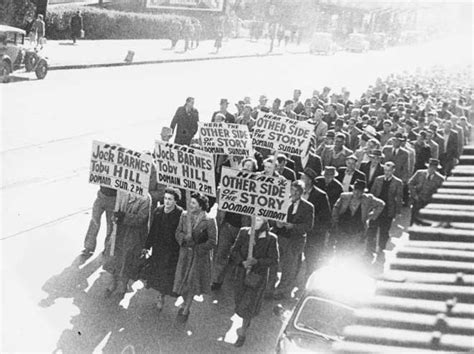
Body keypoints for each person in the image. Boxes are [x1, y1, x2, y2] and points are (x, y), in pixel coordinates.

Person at [229, 216, 279, 347]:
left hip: (257, 277)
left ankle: (243, 333)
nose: (255, 222)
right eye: (254, 219)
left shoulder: (271, 238)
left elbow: (274, 260)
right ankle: (243, 324)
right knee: (239, 300)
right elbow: (234, 250)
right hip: (241, 274)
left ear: (265, 222)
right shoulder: (244, 232)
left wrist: (257, 262)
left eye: (259, 220)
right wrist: (242, 261)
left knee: (248, 305)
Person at [211, 159, 255, 291]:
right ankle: (216, 280)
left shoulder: (255, 187)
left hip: (243, 228)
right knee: (221, 253)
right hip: (227, 225)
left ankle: (237, 282)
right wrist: (222, 188)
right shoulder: (231, 180)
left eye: (249, 167)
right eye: (244, 166)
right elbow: (218, 199)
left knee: (239, 256)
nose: (246, 168)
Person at [173, 193, 217, 323]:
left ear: (201, 205)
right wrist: (184, 240)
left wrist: (198, 246)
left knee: (192, 282)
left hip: (199, 258)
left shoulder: (209, 221)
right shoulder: (185, 216)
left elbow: (213, 241)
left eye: (193, 203)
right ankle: (185, 300)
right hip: (185, 255)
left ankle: (186, 308)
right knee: (183, 279)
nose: (190, 205)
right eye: (190, 202)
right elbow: (178, 232)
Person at [270, 181, 314, 300]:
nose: (294, 194)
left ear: (302, 192)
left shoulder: (308, 207)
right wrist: (277, 223)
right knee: (274, 263)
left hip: (295, 240)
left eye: (297, 191)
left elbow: (308, 226)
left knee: (289, 267)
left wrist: (293, 226)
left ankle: (282, 290)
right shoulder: (282, 202)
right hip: (280, 236)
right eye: (292, 190)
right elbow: (271, 216)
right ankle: (270, 287)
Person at [103, 192, 151, 297]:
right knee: (114, 257)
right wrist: (115, 217)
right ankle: (113, 281)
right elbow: (115, 211)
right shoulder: (122, 192)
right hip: (119, 232)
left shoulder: (145, 199)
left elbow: (141, 219)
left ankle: (123, 285)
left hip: (132, 234)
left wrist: (124, 217)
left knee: (127, 259)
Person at [142, 188, 183, 310]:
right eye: (165, 198)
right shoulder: (158, 211)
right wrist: (147, 246)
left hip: (172, 250)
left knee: (167, 274)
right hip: (159, 248)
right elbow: (153, 230)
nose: (167, 201)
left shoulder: (180, 214)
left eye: (170, 199)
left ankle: (162, 296)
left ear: (176, 201)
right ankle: (159, 292)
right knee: (157, 270)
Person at [331, 180, 385, 256]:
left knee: (354, 251)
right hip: (343, 227)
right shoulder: (344, 196)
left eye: (359, 191)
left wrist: (371, 215)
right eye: (355, 190)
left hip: (358, 229)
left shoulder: (368, 199)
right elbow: (336, 207)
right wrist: (335, 219)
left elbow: (381, 204)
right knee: (340, 249)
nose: (356, 193)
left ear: (363, 192)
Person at [366, 162, 403, 261]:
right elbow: (372, 194)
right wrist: (370, 207)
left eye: (389, 171)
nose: (387, 173)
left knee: (384, 231)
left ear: (393, 171)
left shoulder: (398, 182)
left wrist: (398, 212)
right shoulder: (378, 179)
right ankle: (370, 248)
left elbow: (399, 198)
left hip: (388, 210)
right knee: (372, 228)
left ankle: (381, 248)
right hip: (377, 208)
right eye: (385, 170)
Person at [300, 168, 331, 276]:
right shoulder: (297, 191)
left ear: (309, 181)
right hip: (297, 232)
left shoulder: (320, 196)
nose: (300, 179)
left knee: (310, 261)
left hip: (313, 236)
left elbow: (325, 217)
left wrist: (309, 225)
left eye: (303, 177)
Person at [81, 186, 117, 257]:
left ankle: (107, 249)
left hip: (113, 199)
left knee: (110, 226)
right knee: (94, 222)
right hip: (101, 196)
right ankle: (88, 247)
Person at [408, 158, 444, 224]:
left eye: (434, 168)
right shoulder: (419, 173)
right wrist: (414, 195)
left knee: (425, 221)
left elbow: (442, 191)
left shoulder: (440, 179)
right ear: (428, 166)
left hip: (429, 203)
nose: (432, 169)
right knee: (414, 219)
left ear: (436, 169)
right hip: (418, 200)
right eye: (430, 167)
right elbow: (410, 183)